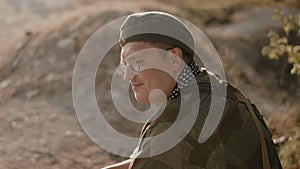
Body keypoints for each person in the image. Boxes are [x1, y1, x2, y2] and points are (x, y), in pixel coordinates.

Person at [102, 11, 282, 169]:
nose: (128, 76)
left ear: (173, 59)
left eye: (138, 62)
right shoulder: (212, 87)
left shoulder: (177, 121)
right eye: (125, 65)